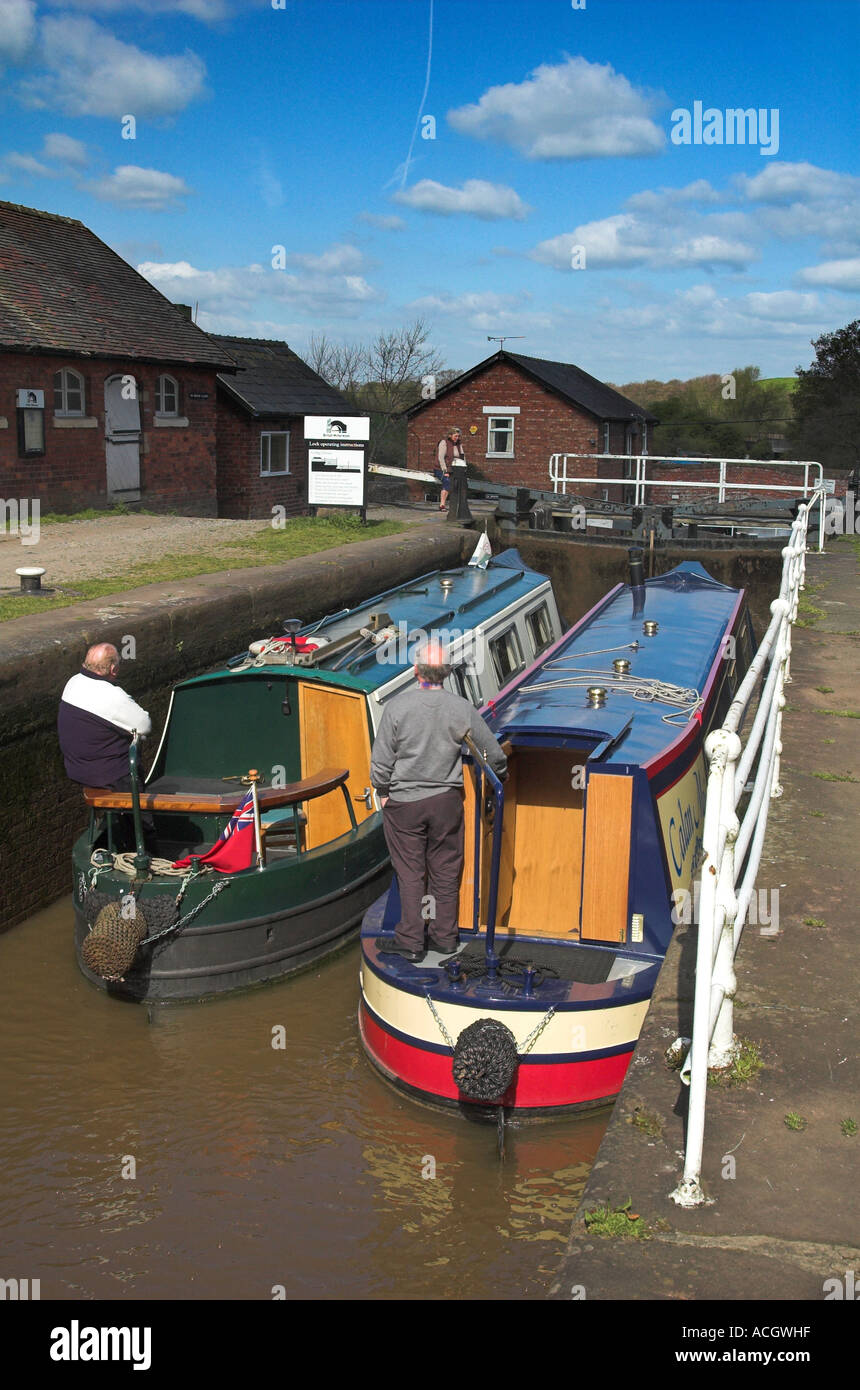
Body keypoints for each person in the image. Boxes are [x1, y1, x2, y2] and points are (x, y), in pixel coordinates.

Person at [370, 638, 507, 962]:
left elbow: (380, 764)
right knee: (446, 870)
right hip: (446, 801)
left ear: (416, 670)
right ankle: (445, 938)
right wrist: (501, 775)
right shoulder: (460, 708)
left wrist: (384, 792)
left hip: (405, 805)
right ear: (445, 673)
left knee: (410, 872)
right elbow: (494, 755)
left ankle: (411, 942)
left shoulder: (397, 708)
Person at [58, 643, 152, 789]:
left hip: (77, 770)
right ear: (113, 669)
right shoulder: (111, 695)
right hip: (110, 775)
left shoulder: (73, 682)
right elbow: (145, 726)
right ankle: (139, 812)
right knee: (146, 809)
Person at [435, 426, 465, 511]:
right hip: (441, 468)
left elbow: (462, 456)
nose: (457, 438)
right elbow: (440, 458)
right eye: (455, 436)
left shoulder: (459, 444)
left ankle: (458, 506)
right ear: (450, 435)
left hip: (454, 468)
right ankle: (442, 505)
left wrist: (463, 467)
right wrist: (445, 471)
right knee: (447, 481)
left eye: (458, 436)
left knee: (459, 483)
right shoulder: (444, 443)